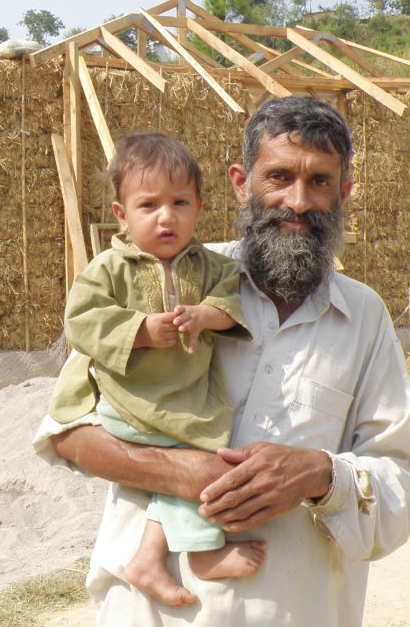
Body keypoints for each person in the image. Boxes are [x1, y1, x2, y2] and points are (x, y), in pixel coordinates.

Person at [34, 96, 410, 626]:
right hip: (150, 613)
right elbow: (66, 433)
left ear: (345, 193)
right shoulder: (164, 276)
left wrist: (318, 475)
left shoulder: (362, 317)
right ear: (242, 183)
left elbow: (401, 478)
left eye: (320, 182)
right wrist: (179, 471)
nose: (298, 200)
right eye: (279, 177)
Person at [48, 132, 263, 608]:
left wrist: (207, 315)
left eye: (180, 202)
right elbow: (81, 321)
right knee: (193, 457)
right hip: (133, 401)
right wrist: (139, 330)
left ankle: (148, 556)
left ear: (199, 207)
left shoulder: (210, 266)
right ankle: (201, 553)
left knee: (190, 456)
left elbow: (230, 298)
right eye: (149, 206)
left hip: (181, 398)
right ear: (122, 215)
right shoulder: (108, 269)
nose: (166, 217)